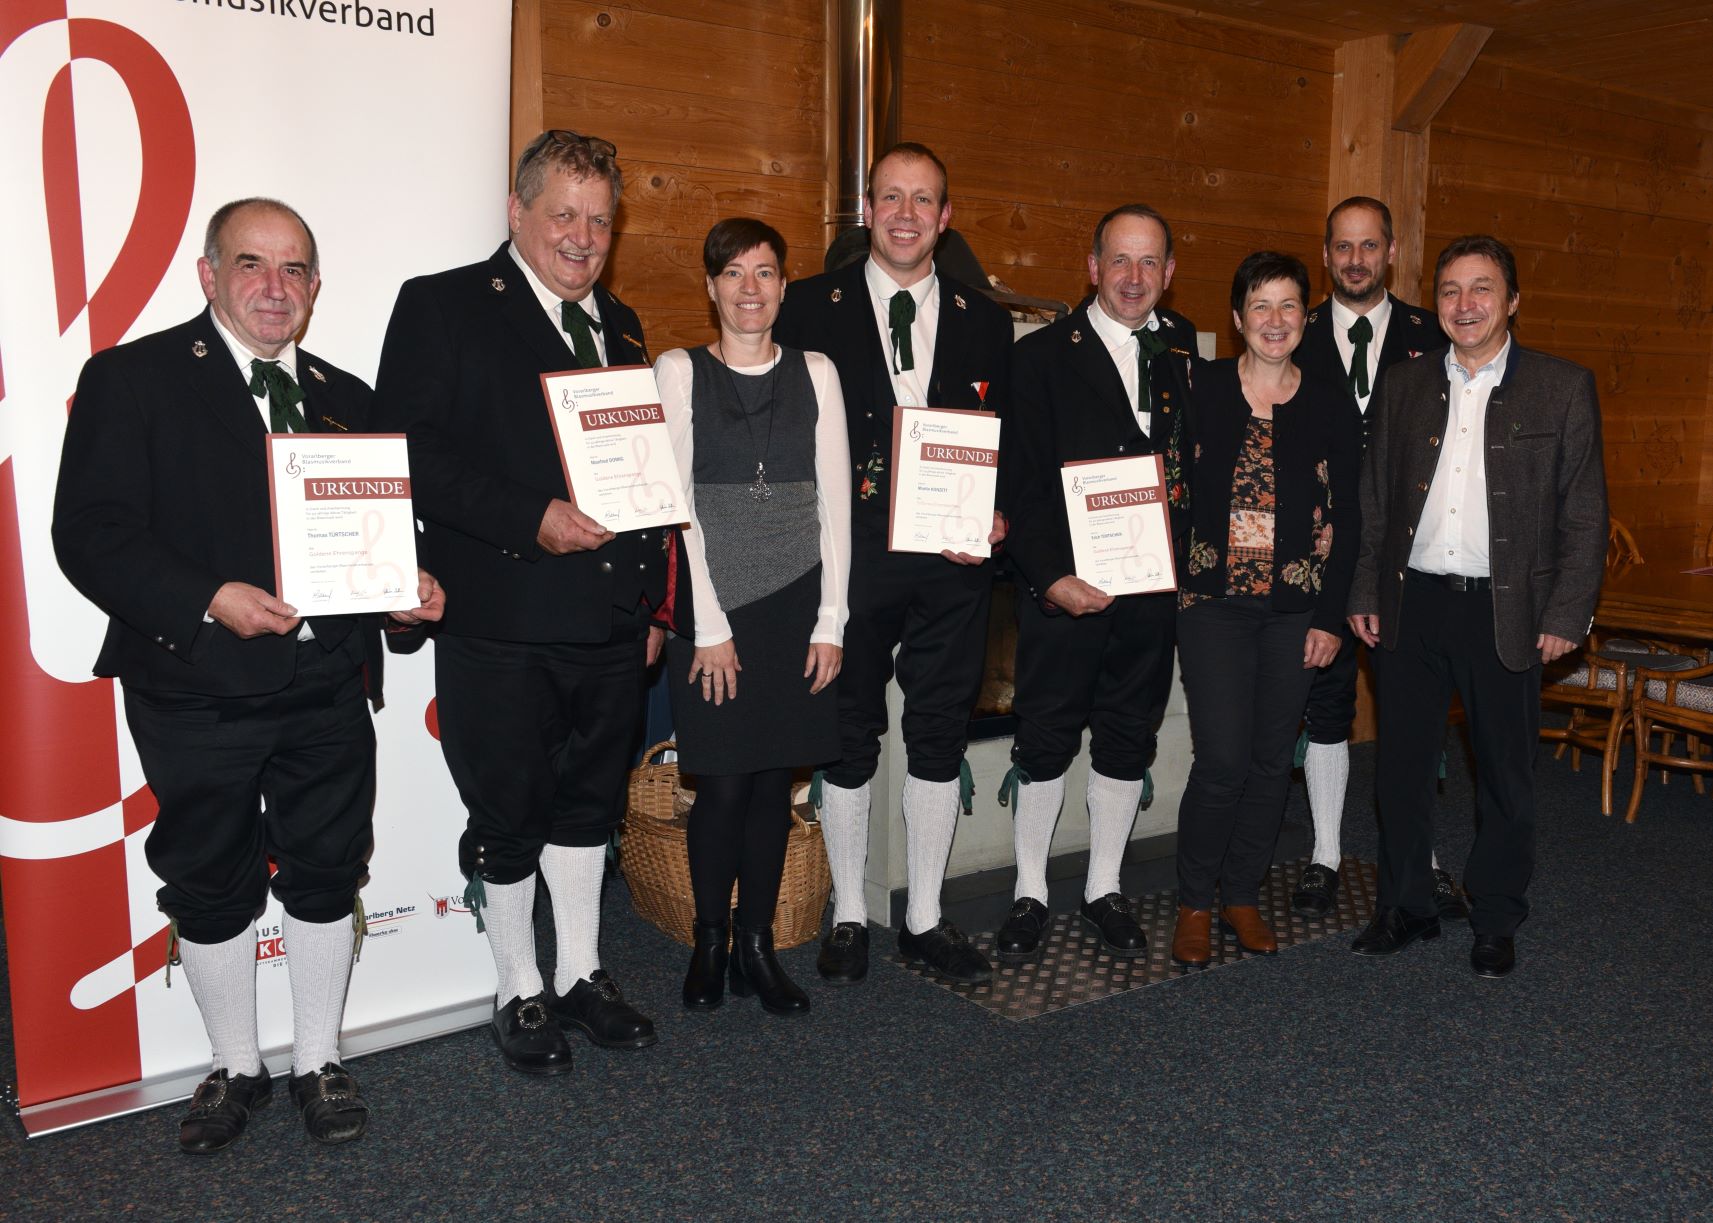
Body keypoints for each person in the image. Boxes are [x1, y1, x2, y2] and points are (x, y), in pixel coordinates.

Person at [52, 198, 445, 1153]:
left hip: (326, 681)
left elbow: (377, 536)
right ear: (208, 274)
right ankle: (236, 1064)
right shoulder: (131, 378)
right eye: (252, 264)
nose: (276, 287)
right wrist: (206, 596)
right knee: (207, 875)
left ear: (315, 285)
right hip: (195, 682)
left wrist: (404, 592)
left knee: (326, 866)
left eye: (294, 268)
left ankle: (318, 1058)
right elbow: (89, 532)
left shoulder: (347, 394)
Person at [372, 131, 667, 1075]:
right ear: (516, 211)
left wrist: (651, 606)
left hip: (608, 619)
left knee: (587, 805)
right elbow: (405, 452)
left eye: (599, 221)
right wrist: (526, 516)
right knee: (507, 809)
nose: (582, 238)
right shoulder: (444, 305)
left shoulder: (622, 323)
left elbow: (640, 475)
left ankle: (579, 972)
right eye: (563, 215)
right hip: (500, 613)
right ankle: (517, 988)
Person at [773, 142, 1011, 985]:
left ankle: (924, 917)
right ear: (867, 210)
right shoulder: (808, 306)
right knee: (846, 730)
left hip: (952, 558)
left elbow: (1009, 438)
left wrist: (999, 513)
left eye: (923, 200)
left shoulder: (985, 320)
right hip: (850, 552)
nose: (906, 215)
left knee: (939, 729)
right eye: (891, 197)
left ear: (944, 218)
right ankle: (848, 914)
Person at [1348, 234, 1607, 978]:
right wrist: (1364, 589)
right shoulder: (1403, 384)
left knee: (1504, 775)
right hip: (1411, 604)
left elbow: (1584, 513)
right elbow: (1373, 500)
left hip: (1507, 611)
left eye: (1482, 288)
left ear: (1512, 300)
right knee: (1399, 771)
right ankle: (1406, 905)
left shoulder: (1562, 387)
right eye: (1450, 290)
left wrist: (1567, 613)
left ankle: (1495, 917)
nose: (1464, 304)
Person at [655, 218, 851, 1015]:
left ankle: (757, 944)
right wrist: (707, 626)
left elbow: (835, 505)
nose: (749, 288)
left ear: (782, 285)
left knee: (775, 787)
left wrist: (831, 620)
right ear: (710, 287)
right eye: (733, 272)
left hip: (797, 607)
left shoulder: (818, 371)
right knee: (724, 785)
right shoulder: (678, 370)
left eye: (764, 271)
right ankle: (709, 942)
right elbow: (674, 508)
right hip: (713, 613)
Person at [994, 204, 1194, 963]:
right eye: (1119, 260)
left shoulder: (1182, 348)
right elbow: (1021, 481)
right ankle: (1029, 891)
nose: (1133, 277)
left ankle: (1104, 887)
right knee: (1045, 739)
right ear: (1092, 267)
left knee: (1127, 735)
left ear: (1168, 273)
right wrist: (1049, 577)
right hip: (1066, 592)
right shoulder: (1041, 356)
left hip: (1151, 591)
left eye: (1148, 263)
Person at [1170, 252, 1362, 969]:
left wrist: (1330, 617)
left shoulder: (1329, 401)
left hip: (1295, 610)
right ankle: (1195, 901)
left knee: (1270, 759)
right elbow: (1167, 485)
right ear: (1236, 317)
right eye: (1260, 305)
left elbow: (1350, 517)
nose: (1274, 320)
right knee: (1222, 759)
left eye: (1288, 305)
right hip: (1212, 604)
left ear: (1304, 317)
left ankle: (1242, 895)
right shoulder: (1202, 386)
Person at [1289, 196, 1457, 922]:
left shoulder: (1433, 333)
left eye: (1368, 246)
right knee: (1325, 702)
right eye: (1342, 246)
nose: (1354, 260)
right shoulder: (1290, 331)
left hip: (1407, 553)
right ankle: (1326, 854)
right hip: (1318, 551)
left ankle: (1421, 858)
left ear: (1391, 251)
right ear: (1326, 254)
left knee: (1412, 709)